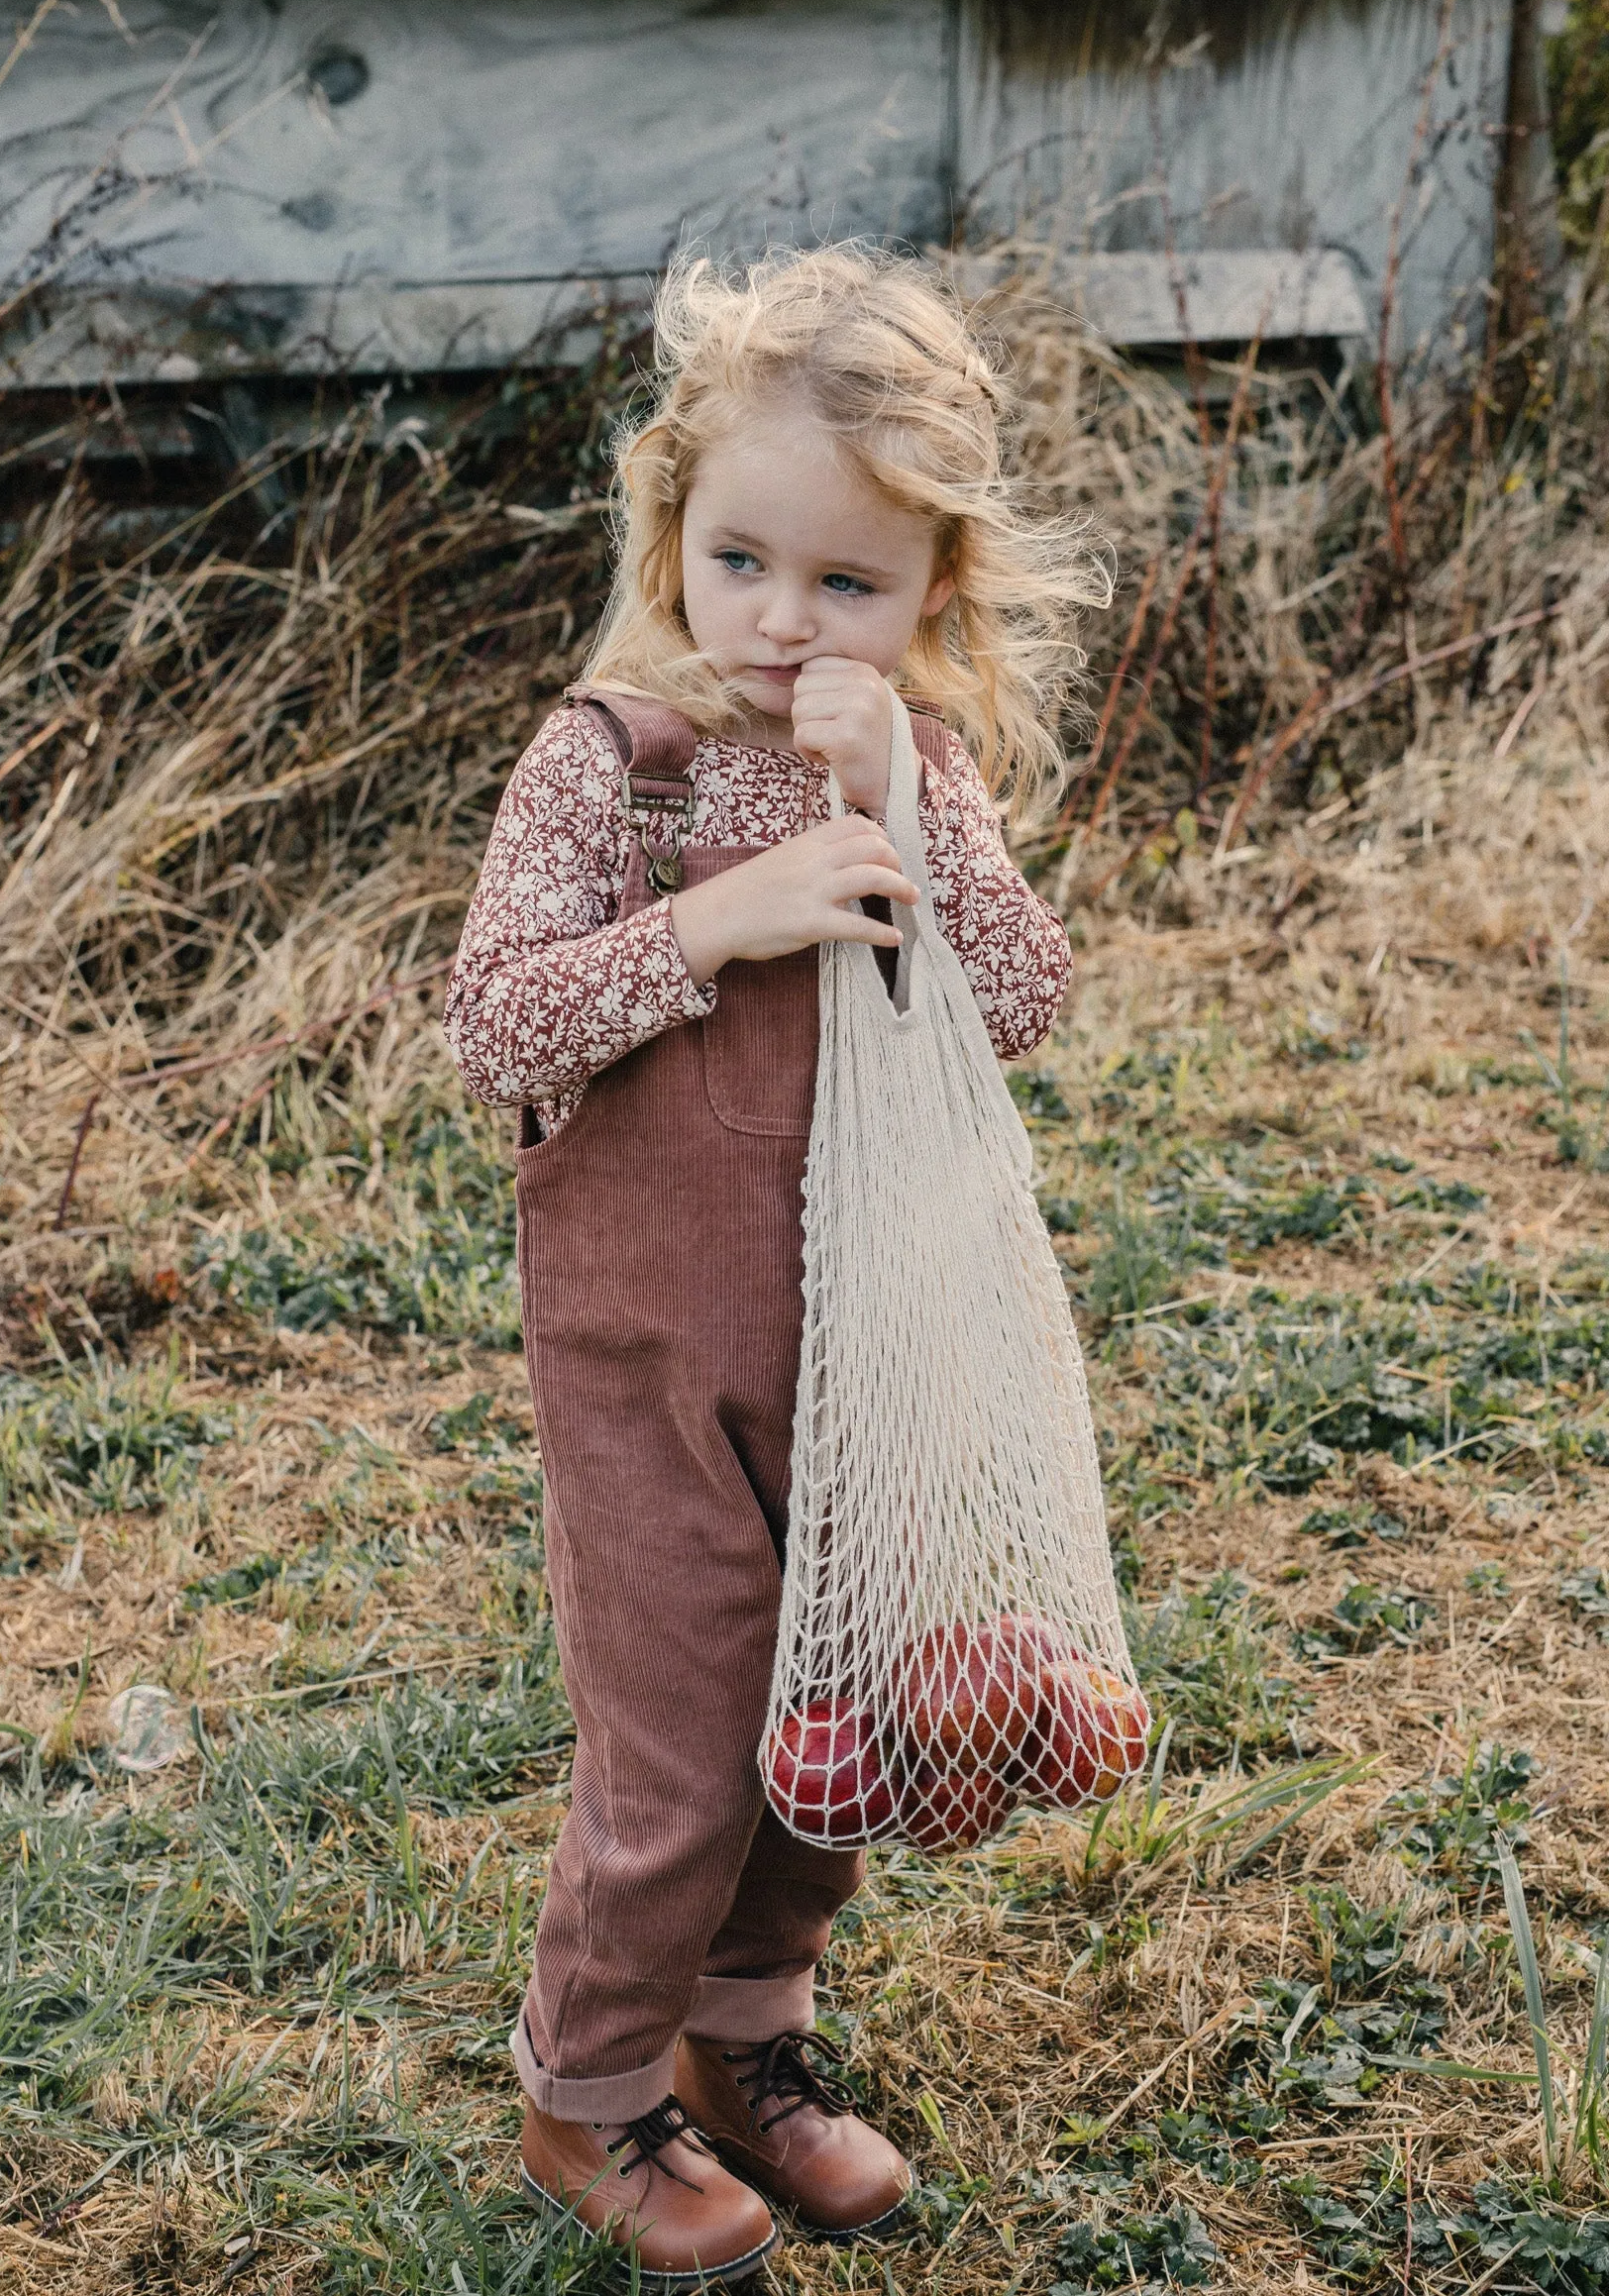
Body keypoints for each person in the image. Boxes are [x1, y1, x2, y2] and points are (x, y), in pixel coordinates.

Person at [444, 242, 1106, 2286]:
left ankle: (749, 2045)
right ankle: (589, 2089)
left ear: (929, 599)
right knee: (683, 1734)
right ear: (674, 534)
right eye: (741, 560)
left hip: (866, 1341)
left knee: (835, 1702)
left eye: (847, 585)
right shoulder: (610, 768)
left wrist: (903, 803)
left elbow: (1025, 1001)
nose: (781, 621)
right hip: (650, 1348)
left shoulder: (917, 770)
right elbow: (494, 1030)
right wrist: (719, 920)